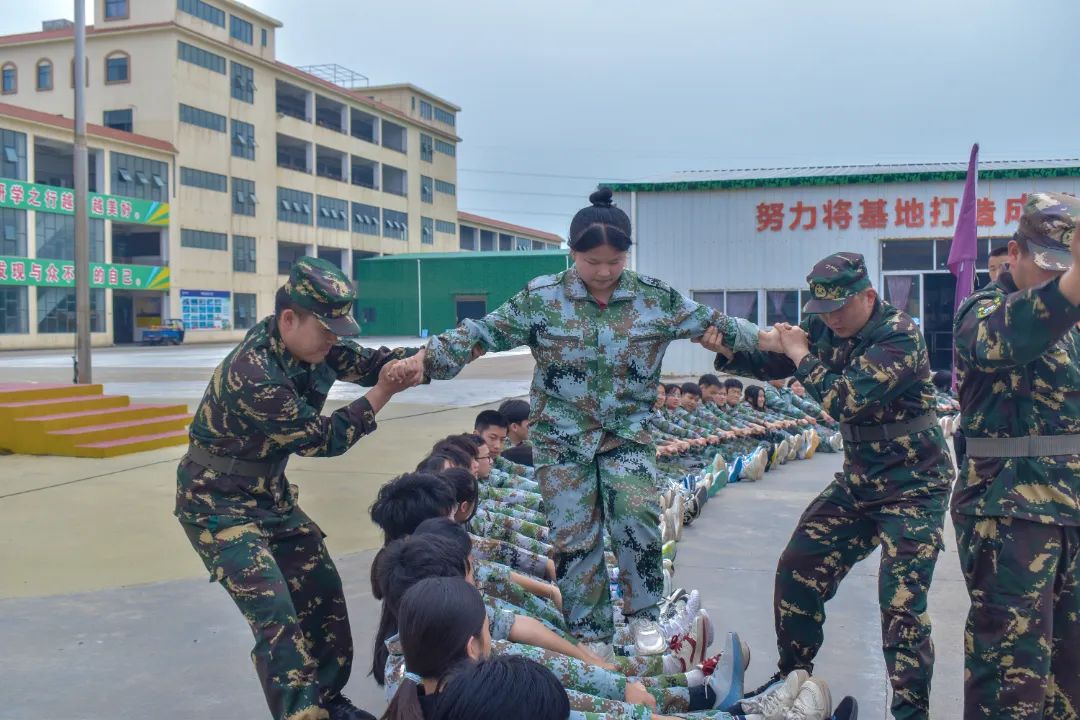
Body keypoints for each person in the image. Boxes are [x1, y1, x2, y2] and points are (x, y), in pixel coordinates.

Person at [401, 188, 769, 660]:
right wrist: (425, 360)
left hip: (627, 434)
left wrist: (774, 340)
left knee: (635, 517)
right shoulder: (542, 299)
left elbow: (718, 325)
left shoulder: (654, 298)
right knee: (575, 533)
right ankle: (589, 630)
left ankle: (643, 615)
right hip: (562, 438)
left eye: (614, 261)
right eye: (592, 261)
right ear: (572, 253)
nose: (603, 272)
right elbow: (482, 333)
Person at [700, 251, 954, 720]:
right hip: (860, 480)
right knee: (799, 566)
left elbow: (843, 400)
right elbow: (773, 363)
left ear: (869, 296)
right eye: (823, 310)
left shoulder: (898, 333)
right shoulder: (824, 325)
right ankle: (792, 678)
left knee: (901, 605)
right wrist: (727, 348)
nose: (831, 319)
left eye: (840, 308)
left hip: (914, 484)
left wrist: (799, 352)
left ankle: (911, 713)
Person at [176, 256, 420, 720]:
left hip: (271, 497)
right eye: (327, 330)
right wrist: (384, 393)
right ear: (289, 319)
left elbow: (368, 363)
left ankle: (327, 700)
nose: (334, 341)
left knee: (322, 593)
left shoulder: (316, 346)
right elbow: (320, 439)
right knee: (276, 617)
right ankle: (301, 714)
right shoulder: (253, 373)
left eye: (337, 331)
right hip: (217, 504)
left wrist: (413, 364)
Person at [951, 192, 1080, 719]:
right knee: (1011, 676)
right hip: (1010, 513)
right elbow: (1006, 338)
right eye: (1049, 264)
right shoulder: (981, 312)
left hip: (1070, 510)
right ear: (1015, 252)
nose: (1057, 278)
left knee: (1067, 679)